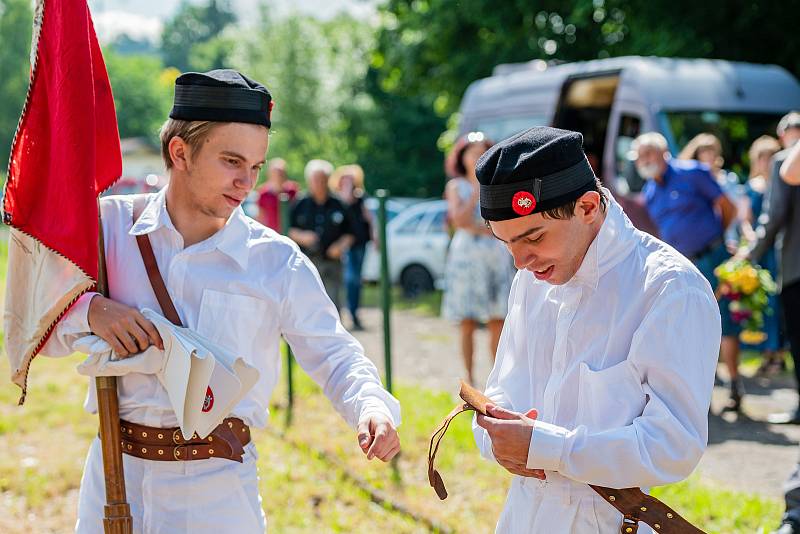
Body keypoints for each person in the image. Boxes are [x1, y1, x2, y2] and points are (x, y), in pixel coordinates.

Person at [39, 69, 400, 533]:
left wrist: (370, 406)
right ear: (180, 152)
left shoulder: (274, 261)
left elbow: (335, 354)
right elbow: (32, 320)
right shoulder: (106, 230)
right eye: (232, 161)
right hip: (113, 482)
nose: (245, 182)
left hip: (218, 496)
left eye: (254, 166)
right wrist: (88, 310)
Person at [470, 126, 720, 533]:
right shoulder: (532, 278)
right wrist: (497, 438)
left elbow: (674, 444)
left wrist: (549, 448)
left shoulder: (669, 289)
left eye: (533, 236)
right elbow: (501, 392)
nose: (520, 262)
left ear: (588, 207)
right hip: (520, 516)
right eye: (506, 243)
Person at [633, 132, 741, 411]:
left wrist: (720, 239)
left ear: (664, 153)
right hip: (682, 267)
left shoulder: (694, 173)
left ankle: (735, 385)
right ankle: (701, 391)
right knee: (690, 326)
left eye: (649, 154)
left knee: (725, 320)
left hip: (712, 257)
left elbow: (727, 206)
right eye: (640, 156)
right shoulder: (649, 192)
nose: (645, 160)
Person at [441, 131, 516, 386]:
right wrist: (475, 189)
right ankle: (470, 378)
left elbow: (504, 221)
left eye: (482, 152)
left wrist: (483, 227)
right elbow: (459, 220)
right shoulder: (456, 186)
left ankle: (496, 379)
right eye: (472, 152)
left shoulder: (498, 184)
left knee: (498, 317)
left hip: (495, 256)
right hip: (467, 259)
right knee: (467, 319)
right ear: (462, 157)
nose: (477, 157)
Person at [748, 111, 800, 426]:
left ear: (782, 137)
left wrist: (750, 254)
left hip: (795, 267)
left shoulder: (783, 162)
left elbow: (774, 216)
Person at [740, 135, 785, 374]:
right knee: (764, 303)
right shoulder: (752, 187)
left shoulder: (781, 184)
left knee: (779, 301)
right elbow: (745, 218)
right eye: (762, 157)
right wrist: (751, 237)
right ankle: (768, 352)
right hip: (760, 250)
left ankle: (779, 352)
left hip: (778, 249)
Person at [289, 159, 355, 312]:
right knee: (306, 304)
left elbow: (351, 232)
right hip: (306, 262)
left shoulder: (339, 204)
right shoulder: (300, 204)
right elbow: (287, 230)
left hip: (332, 262)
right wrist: (302, 236)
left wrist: (340, 245)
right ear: (309, 181)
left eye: (322, 179)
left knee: (332, 303)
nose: (319, 183)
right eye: (315, 179)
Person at [678, 132, 744, 253]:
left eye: (712, 151)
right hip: (704, 243)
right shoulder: (690, 183)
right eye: (704, 152)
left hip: (730, 239)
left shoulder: (729, 179)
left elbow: (737, 211)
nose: (709, 155)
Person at [330, 164, 372, 330]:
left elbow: (369, 218)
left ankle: (354, 313)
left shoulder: (360, 197)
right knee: (348, 279)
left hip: (360, 243)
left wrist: (375, 237)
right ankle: (343, 313)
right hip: (345, 243)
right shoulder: (338, 199)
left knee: (355, 280)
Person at [255, 157, 299, 231]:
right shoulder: (263, 193)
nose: (278, 176)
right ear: (269, 174)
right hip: (272, 233)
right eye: (275, 173)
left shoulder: (292, 190)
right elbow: (260, 217)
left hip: (290, 233)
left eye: (281, 173)